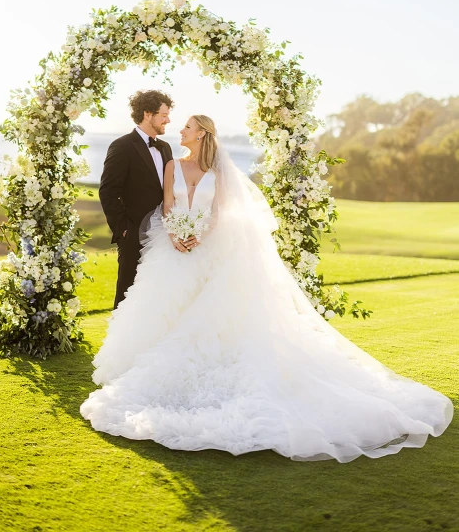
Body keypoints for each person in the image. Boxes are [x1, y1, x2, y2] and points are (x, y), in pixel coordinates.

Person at [81, 114, 453, 462]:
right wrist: (177, 233)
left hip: (208, 248)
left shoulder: (218, 172)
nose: (180, 130)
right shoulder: (172, 165)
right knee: (166, 309)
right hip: (173, 247)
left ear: (202, 134)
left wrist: (200, 235)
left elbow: (218, 212)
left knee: (211, 315)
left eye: (188, 126)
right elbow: (166, 204)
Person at [99, 89, 174, 309]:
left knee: (158, 295)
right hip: (133, 236)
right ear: (147, 114)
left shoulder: (165, 148)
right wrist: (124, 230)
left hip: (162, 236)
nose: (168, 120)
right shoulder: (122, 146)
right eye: (163, 115)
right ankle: (120, 343)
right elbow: (108, 191)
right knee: (127, 296)